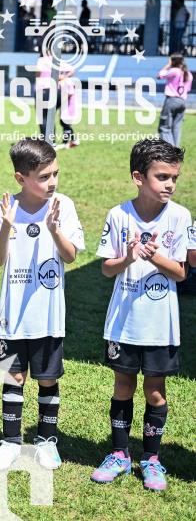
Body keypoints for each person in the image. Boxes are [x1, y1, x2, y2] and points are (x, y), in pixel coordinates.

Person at [90, 139, 189, 492]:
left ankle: (151, 459)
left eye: (174, 177)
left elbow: (181, 273)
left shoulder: (180, 217)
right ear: (138, 177)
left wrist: (154, 256)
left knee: (155, 392)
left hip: (160, 325)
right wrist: (130, 257)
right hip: (124, 323)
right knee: (123, 386)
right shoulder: (119, 215)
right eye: (162, 177)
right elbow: (106, 269)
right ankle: (119, 453)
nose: (170, 184)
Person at [0, 138, 84, 472]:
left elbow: (70, 256)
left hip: (48, 315)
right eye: (43, 177)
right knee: (13, 377)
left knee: (47, 378)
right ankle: (10, 442)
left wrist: (54, 230)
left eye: (55, 173)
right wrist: (6, 227)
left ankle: (46, 440)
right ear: (20, 178)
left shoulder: (63, 205)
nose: (52, 181)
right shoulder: (5, 209)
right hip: (13, 317)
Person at [156, 53, 192, 147]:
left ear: (173, 61)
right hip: (182, 101)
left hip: (172, 100)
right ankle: (176, 150)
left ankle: (170, 151)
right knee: (176, 128)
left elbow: (159, 75)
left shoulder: (174, 71)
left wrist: (168, 65)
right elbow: (188, 89)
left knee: (164, 127)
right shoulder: (188, 74)